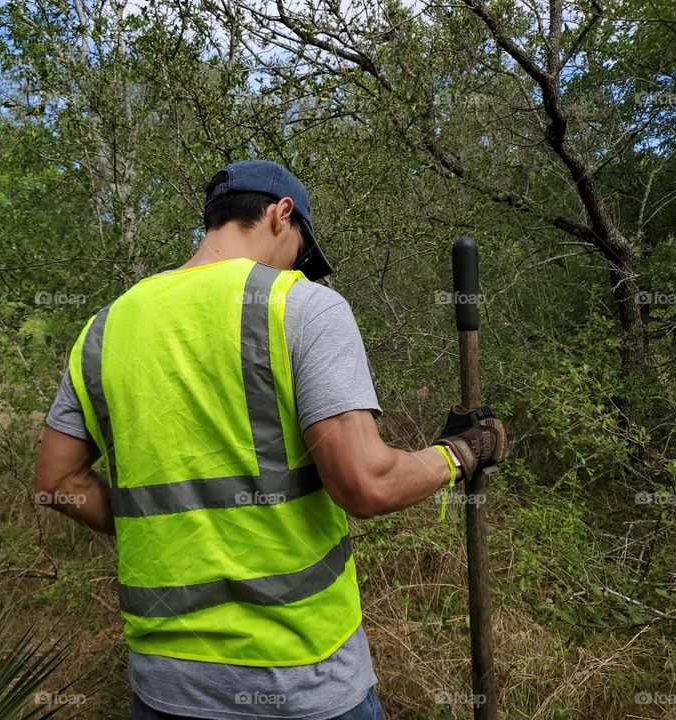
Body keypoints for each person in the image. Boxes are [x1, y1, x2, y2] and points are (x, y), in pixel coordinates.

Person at [34, 160, 508, 720]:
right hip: (300, 681)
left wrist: (168, 524)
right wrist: (460, 453)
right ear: (281, 215)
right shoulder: (300, 305)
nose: (300, 268)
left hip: (165, 685)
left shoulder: (105, 328)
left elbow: (54, 482)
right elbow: (365, 484)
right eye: (303, 252)